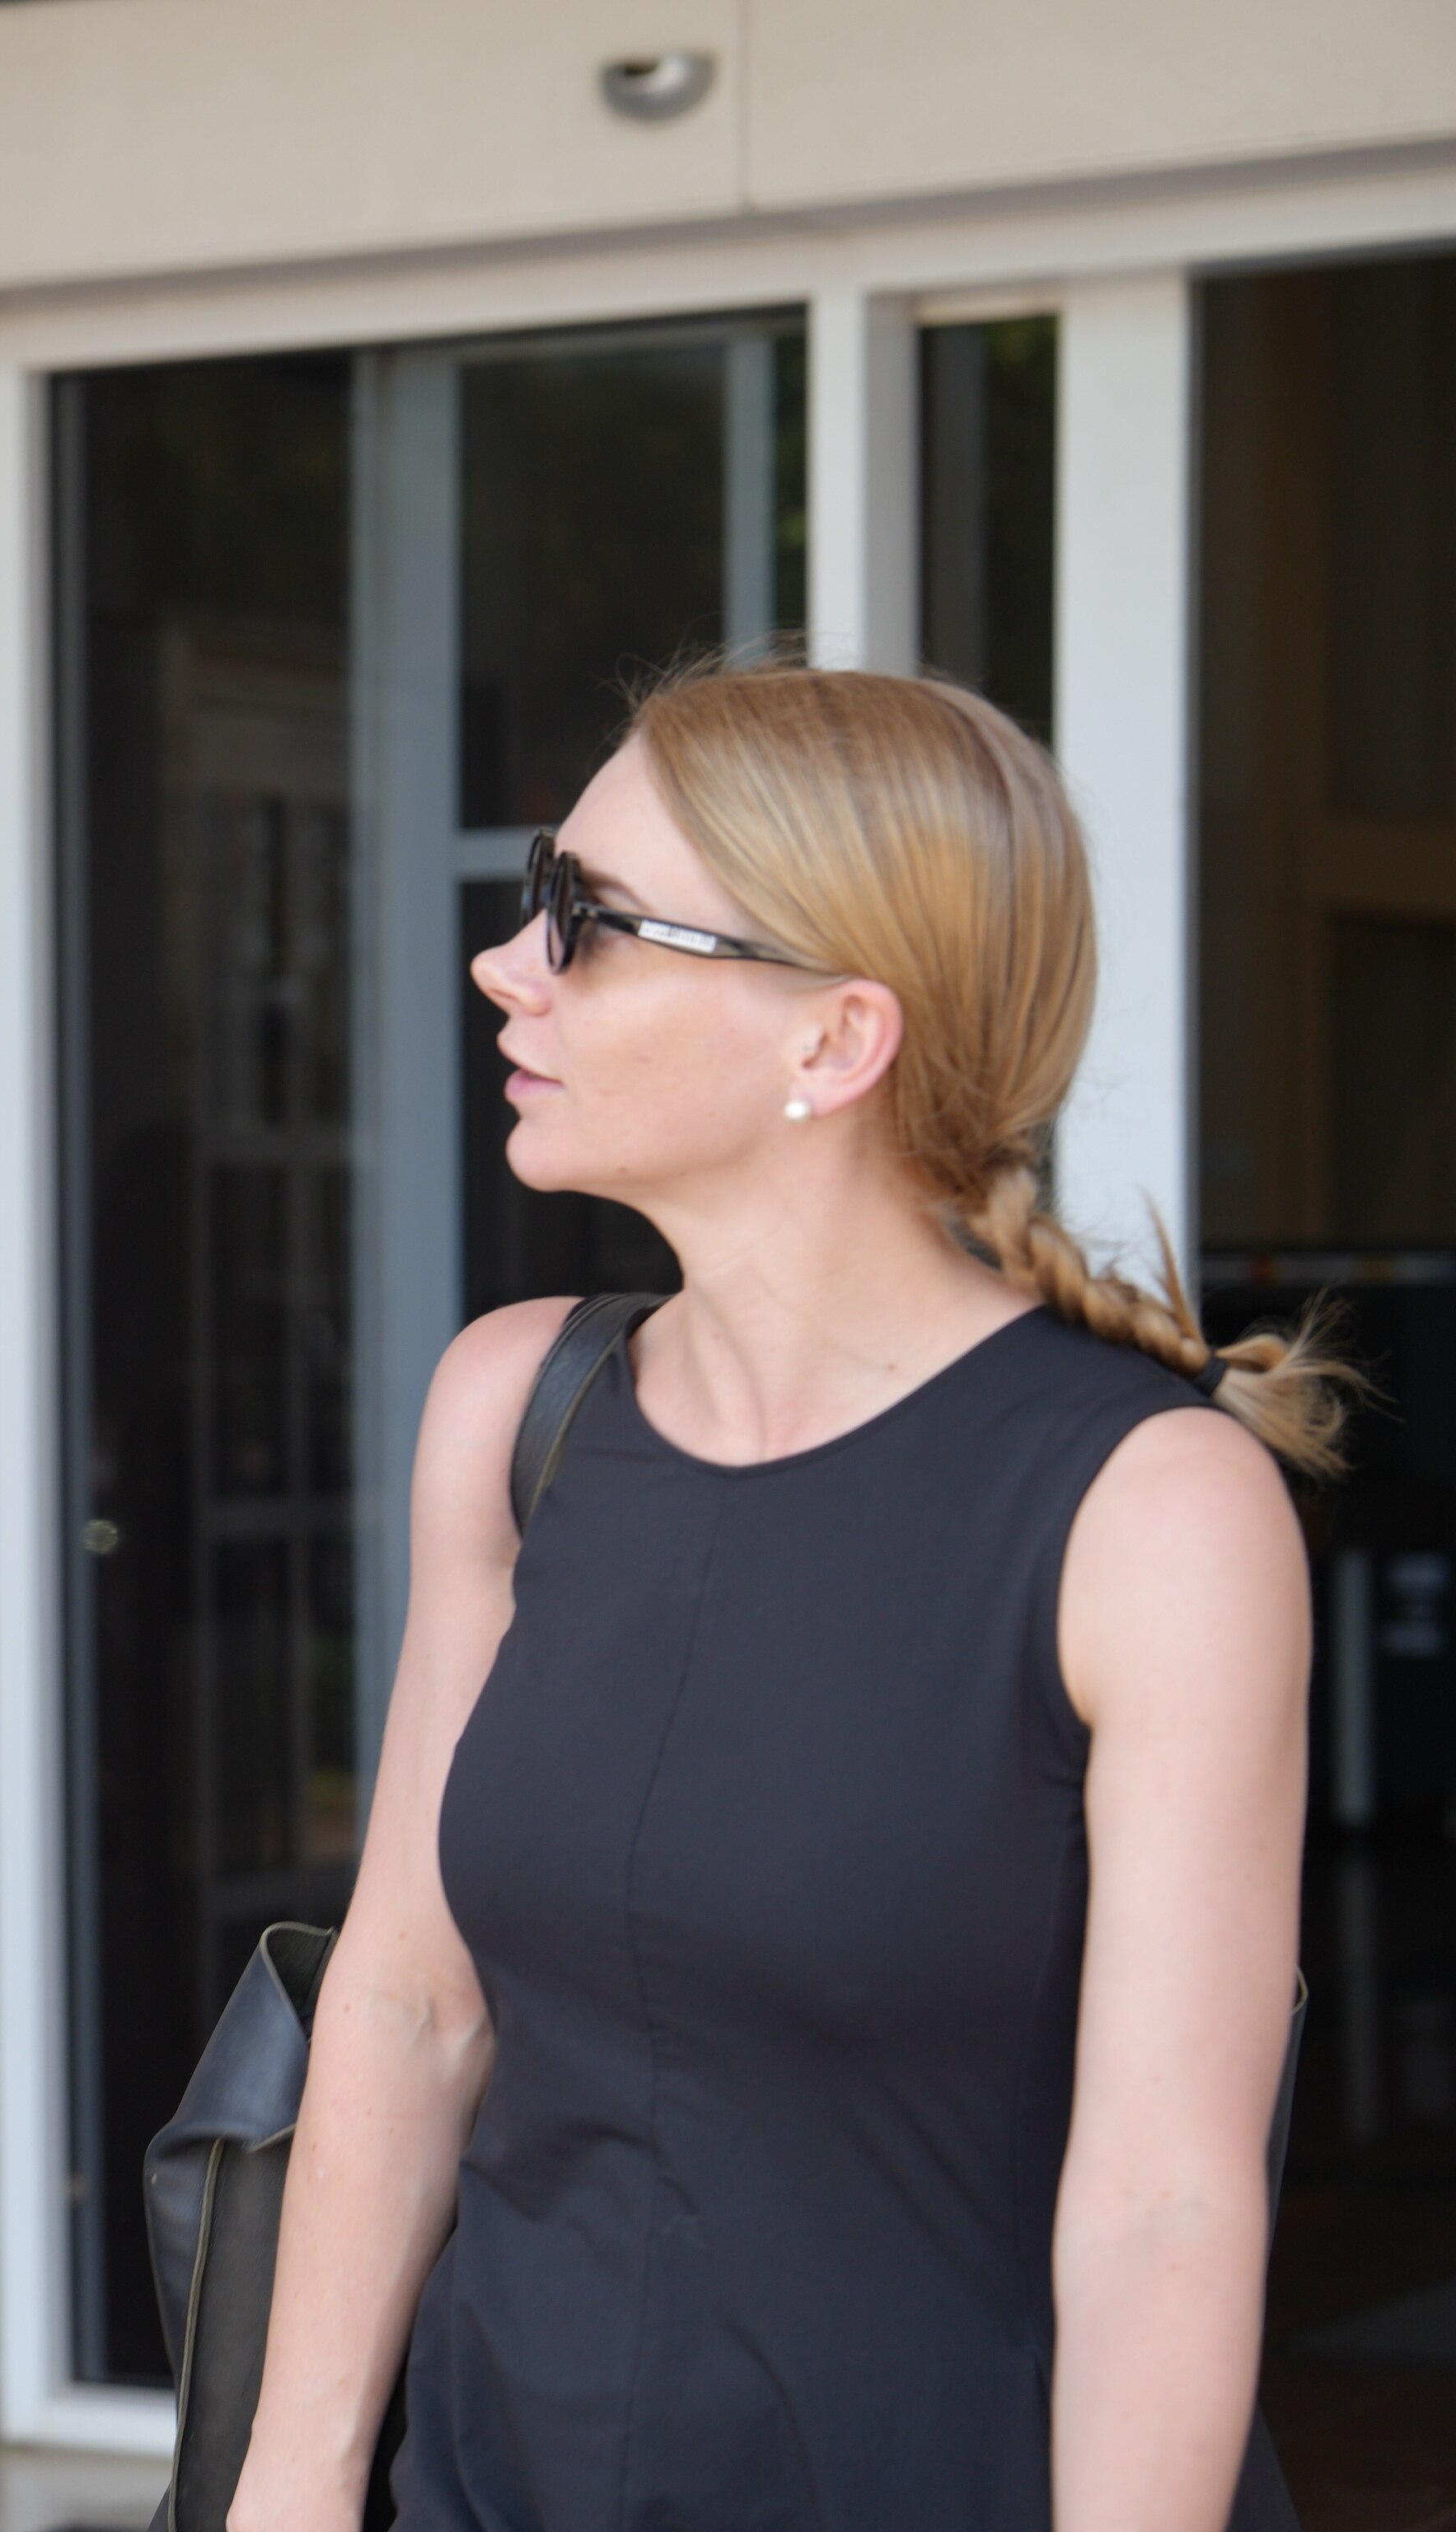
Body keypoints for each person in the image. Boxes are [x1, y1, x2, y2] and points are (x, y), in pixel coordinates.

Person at [227, 663, 1346, 2532]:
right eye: (535, 891)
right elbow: (414, 2004)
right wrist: (291, 2485)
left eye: (588, 921)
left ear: (833, 1044)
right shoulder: (518, 1410)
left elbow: (1166, 2199)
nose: (512, 965)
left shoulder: (1150, 1515)